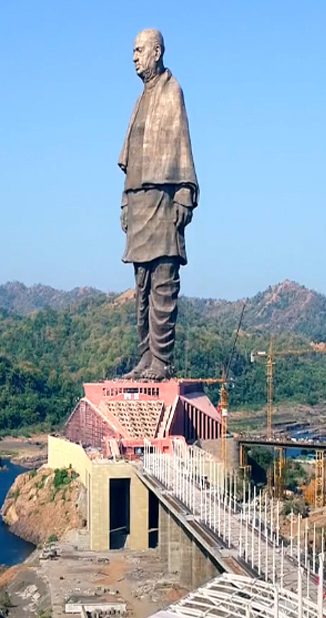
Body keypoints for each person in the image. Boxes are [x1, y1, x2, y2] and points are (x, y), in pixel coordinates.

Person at [119, 29, 199, 380]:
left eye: (139, 50)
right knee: (142, 288)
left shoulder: (171, 91)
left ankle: (161, 361)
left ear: (157, 51)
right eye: (133, 51)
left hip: (164, 200)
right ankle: (145, 358)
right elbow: (131, 157)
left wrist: (184, 191)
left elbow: (181, 142)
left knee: (164, 283)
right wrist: (125, 202)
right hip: (138, 202)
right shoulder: (140, 99)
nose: (134, 57)